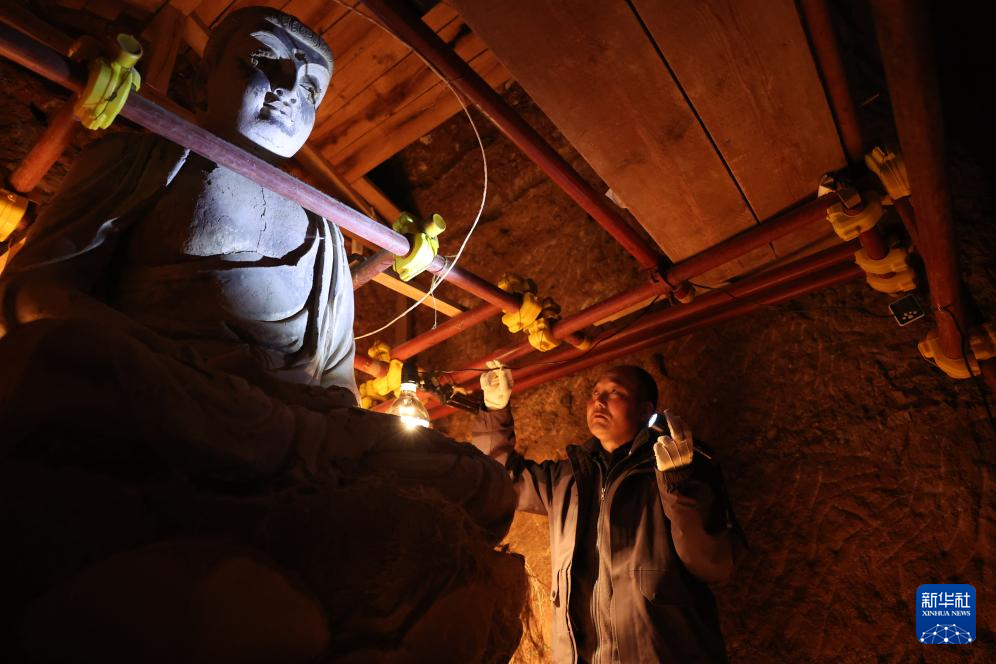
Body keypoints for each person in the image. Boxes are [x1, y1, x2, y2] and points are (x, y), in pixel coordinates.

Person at [0, 8, 525, 661]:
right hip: (182, 392)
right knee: (59, 359)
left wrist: (323, 428)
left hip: (289, 427)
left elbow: (336, 385)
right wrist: (178, 364)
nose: (288, 88)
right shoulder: (150, 153)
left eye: (310, 85)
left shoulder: (324, 227)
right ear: (209, 76)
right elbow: (34, 293)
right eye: (263, 61)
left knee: (486, 485)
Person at [473, 362, 746, 663]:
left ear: (645, 410)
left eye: (614, 392)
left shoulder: (677, 471)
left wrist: (678, 485)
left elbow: (714, 564)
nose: (599, 401)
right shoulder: (568, 480)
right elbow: (496, 479)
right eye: (594, 393)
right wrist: (494, 410)